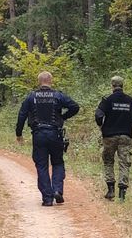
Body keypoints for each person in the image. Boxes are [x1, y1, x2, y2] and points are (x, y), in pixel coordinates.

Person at [16, 71, 80, 206]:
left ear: (39, 81)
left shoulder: (31, 97)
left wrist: (19, 133)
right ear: (51, 81)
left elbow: (22, 115)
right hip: (55, 134)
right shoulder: (58, 95)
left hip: (38, 134)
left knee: (42, 165)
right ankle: (57, 189)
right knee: (57, 163)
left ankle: (47, 198)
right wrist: (63, 117)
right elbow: (75, 107)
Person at [95, 76, 132, 202]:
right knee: (124, 162)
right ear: (122, 85)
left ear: (112, 86)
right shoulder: (130, 100)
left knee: (108, 161)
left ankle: (110, 190)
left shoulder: (107, 100)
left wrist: (101, 126)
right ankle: (122, 193)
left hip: (109, 136)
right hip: (126, 135)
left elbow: (98, 115)